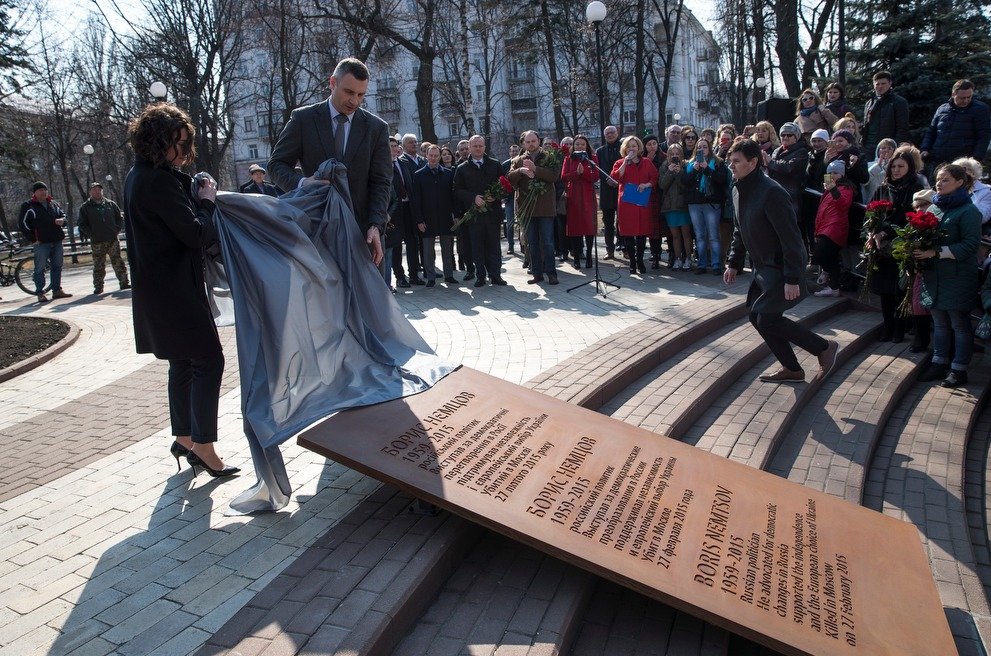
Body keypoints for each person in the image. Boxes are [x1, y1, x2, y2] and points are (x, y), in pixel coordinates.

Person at [123, 102, 239, 478]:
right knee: (209, 360)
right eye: (178, 143)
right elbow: (194, 233)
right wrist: (206, 202)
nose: (184, 151)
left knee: (183, 363)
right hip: (176, 290)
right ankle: (203, 447)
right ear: (158, 142)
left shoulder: (138, 176)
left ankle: (185, 438)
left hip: (158, 290)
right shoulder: (157, 180)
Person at [724, 139, 838, 383]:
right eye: (730, 161)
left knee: (766, 317)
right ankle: (793, 369)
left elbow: (792, 239)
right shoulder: (738, 189)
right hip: (762, 268)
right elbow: (739, 229)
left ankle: (824, 348)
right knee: (758, 317)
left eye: (736, 161)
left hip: (780, 267)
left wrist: (792, 278)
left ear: (753, 162)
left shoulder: (772, 192)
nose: (731, 166)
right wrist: (733, 262)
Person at [268, 57, 389, 267]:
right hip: (315, 233)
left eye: (361, 95)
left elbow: (381, 182)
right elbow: (276, 165)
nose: (355, 101)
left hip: (362, 236)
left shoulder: (376, 128)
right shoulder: (303, 119)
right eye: (349, 92)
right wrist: (303, 184)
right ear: (332, 83)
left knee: (367, 300)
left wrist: (376, 225)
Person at [915, 164, 982, 388]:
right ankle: (939, 362)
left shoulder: (969, 211)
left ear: (960, 182)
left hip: (958, 277)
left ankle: (959, 369)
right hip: (934, 275)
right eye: (938, 179)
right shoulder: (935, 208)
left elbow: (971, 245)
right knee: (939, 322)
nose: (939, 183)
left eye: (945, 180)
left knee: (959, 324)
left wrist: (936, 252)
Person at [866, 147, 925, 341]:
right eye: (893, 166)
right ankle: (888, 326)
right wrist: (871, 232)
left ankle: (900, 329)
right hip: (880, 246)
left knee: (900, 290)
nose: (896, 170)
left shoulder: (915, 189)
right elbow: (870, 214)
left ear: (910, 167)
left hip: (901, 246)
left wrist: (887, 231)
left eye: (901, 166)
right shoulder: (882, 189)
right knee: (884, 291)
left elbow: (911, 218)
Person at [508, 130, 561, 285]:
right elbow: (510, 179)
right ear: (523, 144)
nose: (531, 144)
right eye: (528, 142)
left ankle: (551, 273)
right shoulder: (517, 160)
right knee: (531, 242)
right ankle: (537, 273)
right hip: (527, 207)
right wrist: (521, 171)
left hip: (545, 207)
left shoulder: (549, 157)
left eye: (534, 141)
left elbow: (553, 176)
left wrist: (535, 169)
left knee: (548, 242)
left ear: (539, 141)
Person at [454, 134, 507, 287]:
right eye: (474, 146)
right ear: (469, 148)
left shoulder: (495, 164)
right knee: (477, 247)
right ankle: (480, 276)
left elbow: (503, 186)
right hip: (474, 215)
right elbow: (457, 190)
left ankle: (495, 275)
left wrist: (496, 196)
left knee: (494, 246)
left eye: (480, 146)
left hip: (492, 214)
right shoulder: (462, 168)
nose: (477, 148)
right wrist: (473, 197)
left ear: (484, 147)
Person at [920, 80, 991, 176]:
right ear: (953, 94)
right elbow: (931, 131)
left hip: (963, 163)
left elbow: (983, 136)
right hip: (939, 161)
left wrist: (976, 159)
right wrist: (925, 149)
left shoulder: (980, 110)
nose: (966, 100)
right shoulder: (942, 109)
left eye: (969, 97)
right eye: (962, 98)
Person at [17, 181, 72, 303]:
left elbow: (64, 216)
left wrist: (63, 220)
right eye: (41, 190)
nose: (44, 192)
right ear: (35, 193)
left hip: (57, 240)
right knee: (40, 268)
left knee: (57, 266)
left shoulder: (53, 204)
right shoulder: (29, 206)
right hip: (41, 242)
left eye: (45, 190)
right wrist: (33, 239)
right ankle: (40, 292)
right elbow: (23, 224)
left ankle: (57, 290)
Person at [612, 136, 658, 275]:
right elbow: (615, 177)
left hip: (642, 202)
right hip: (627, 203)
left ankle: (640, 261)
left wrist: (647, 185)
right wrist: (625, 163)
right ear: (625, 149)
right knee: (629, 233)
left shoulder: (647, 162)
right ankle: (632, 262)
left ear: (639, 148)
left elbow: (654, 178)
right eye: (629, 146)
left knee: (641, 233)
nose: (632, 149)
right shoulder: (620, 162)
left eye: (634, 146)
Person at [412, 145, 457, 287]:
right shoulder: (418, 175)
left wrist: (455, 215)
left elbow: (453, 197)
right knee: (428, 250)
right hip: (427, 218)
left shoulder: (448, 174)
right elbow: (416, 200)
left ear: (440, 156)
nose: (433, 158)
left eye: (436, 156)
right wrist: (419, 220)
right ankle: (430, 277)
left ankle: (449, 275)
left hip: (445, 217)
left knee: (447, 248)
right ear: (426, 156)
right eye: (430, 155)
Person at [682, 137, 728, 275]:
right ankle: (701, 264)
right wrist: (695, 170)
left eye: (705, 147)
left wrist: (707, 169)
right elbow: (685, 182)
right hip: (695, 204)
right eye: (699, 147)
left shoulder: (718, 162)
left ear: (710, 149)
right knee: (700, 236)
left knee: (713, 235)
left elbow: (721, 179)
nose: (702, 149)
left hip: (712, 204)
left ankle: (716, 265)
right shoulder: (690, 164)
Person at [77, 182, 130, 295]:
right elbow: (82, 224)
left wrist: (116, 229)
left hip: (112, 239)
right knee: (99, 265)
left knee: (118, 261)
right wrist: (91, 234)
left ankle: (124, 282)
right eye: (94, 190)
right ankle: (98, 286)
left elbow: (119, 218)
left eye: (99, 190)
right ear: (90, 192)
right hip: (97, 242)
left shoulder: (110, 204)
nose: (97, 192)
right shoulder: (85, 207)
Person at [811, 160, 855, 297]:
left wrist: (833, 189)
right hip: (825, 227)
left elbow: (843, 204)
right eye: (830, 173)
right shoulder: (828, 189)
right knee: (830, 258)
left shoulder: (846, 188)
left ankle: (827, 274)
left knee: (821, 255)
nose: (832, 175)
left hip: (835, 228)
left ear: (842, 174)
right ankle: (834, 287)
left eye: (836, 173)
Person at [389, 137, 423, 287]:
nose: (394, 148)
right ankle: (400, 277)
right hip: (394, 211)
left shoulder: (404, 163)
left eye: (396, 145)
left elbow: (411, 186)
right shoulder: (381, 165)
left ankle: (414, 275)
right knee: (396, 244)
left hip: (409, 207)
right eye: (391, 146)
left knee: (413, 242)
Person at [561, 135, 597, 269]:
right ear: (573, 146)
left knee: (589, 227)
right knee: (575, 229)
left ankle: (588, 257)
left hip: (588, 196)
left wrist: (585, 174)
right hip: (574, 197)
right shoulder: (568, 159)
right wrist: (577, 173)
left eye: (582, 144)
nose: (580, 147)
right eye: (577, 145)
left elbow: (596, 176)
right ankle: (576, 258)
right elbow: (563, 177)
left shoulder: (592, 158)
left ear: (586, 146)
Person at [765, 122, 810, 220]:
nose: (785, 137)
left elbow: (789, 168)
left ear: (796, 137)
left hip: (790, 197)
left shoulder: (802, 152)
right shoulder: (776, 151)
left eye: (789, 135)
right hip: (774, 195)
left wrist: (770, 162)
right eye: (782, 135)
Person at [862, 71, 910, 160]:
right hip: (869, 147)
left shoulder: (899, 102)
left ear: (890, 83)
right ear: (873, 85)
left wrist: (893, 147)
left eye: (883, 83)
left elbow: (902, 128)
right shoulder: (869, 103)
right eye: (877, 84)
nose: (880, 86)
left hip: (887, 148)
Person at [659, 144, 692, 270]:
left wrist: (679, 173)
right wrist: (670, 172)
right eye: (672, 154)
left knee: (686, 234)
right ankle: (678, 259)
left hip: (683, 205)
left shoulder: (686, 166)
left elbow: (686, 186)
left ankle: (688, 258)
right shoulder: (664, 167)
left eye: (677, 154)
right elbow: (662, 185)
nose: (675, 156)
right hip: (670, 206)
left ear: (681, 155)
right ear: (668, 155)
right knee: (675, 235)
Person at [595, 125, 622, 259]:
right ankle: (609, 250)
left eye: (612, 132)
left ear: (617, 133)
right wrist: (607, 179)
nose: (610, 135)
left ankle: (625, 247)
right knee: (608, 222)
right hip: (606, 190)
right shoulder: (600, 151)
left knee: (622, 220)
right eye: (607, 133)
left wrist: (617, 179)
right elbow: (598, 169)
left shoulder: (623, 147)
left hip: (621, 188)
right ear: (604, 136)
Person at [952, 157, 991, 229]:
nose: (961, 173)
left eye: (965, 169)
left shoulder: (986, 191)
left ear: (973, 172)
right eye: (956, 170)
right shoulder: (950, 187)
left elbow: (983, 217)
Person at [864, 139, 897, 204]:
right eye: (883, 148)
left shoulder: (896, 166)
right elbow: (865, 182)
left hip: (888, 203)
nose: (886, 150)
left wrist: (887, 166)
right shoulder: (869, 164)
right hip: (870, 201)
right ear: (878, 150)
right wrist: (877, 166)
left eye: (889, 148)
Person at [502, 144, 520, 254]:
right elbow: (501, 181)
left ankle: (523, 245)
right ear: (509, 152)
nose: (514, 153)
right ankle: (511, 245)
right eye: (512, 151)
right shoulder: (505, 165)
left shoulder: (522, 162)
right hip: (509, 198)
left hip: (521, 197)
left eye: (516, 151)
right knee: (510, 223)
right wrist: (503, 197)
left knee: (523, 223)